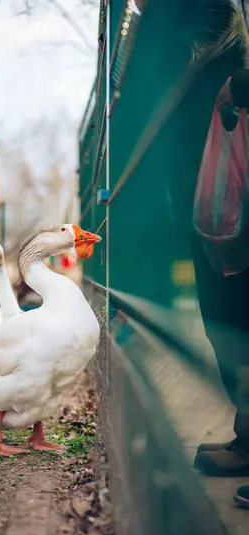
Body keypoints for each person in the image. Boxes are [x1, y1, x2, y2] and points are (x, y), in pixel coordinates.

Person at [161, 1, 249, 477]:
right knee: (225, 323)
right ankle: (247, 438)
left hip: (233, 206)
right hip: (210, 213)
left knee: (234, 320)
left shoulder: (221, 56)